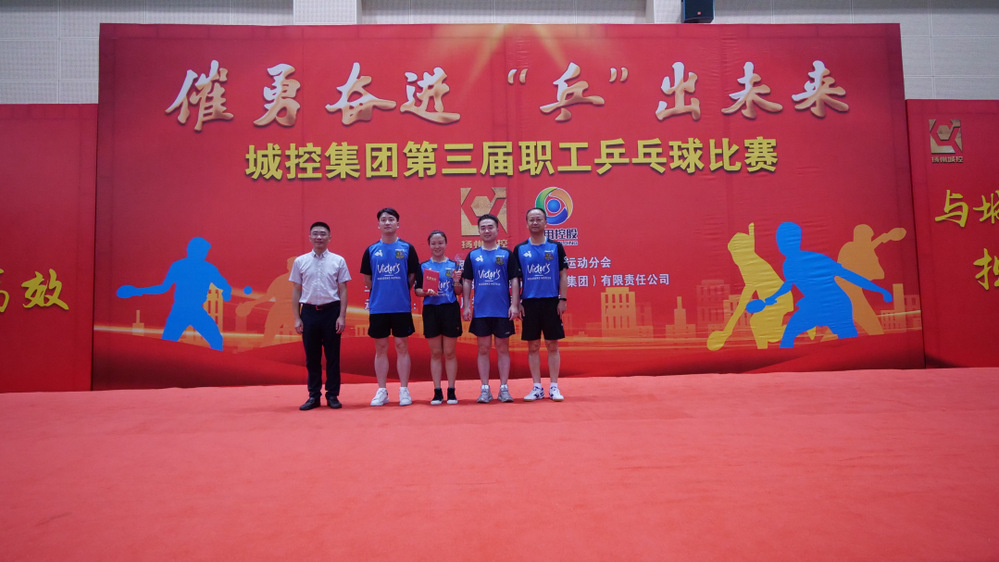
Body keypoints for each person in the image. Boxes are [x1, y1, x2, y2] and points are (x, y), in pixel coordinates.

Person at [116, 236, 232, 351]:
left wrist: (226, 293)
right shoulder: (181, 266)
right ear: (192, 250)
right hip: (181, 310)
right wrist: (138, 291)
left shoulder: (207, 268)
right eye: (203, 251)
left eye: (205, 252)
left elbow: (224, 285)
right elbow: (163, 288)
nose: (204, 254)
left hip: (194, 310)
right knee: (168, 343)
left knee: (216, 340)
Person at [360, 208, 420, 406]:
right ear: (378, 224)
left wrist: (399, 288)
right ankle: (382, 390)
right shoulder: (371, 250)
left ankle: (404, 390)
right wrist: (382, 290)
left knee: (402, 346)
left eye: (391, 219)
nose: (387, 223)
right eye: (383, 220)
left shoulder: (407, 248)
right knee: (381, 348)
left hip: (401, 306)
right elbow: (368, 280)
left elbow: (412, 275)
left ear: (397, 224)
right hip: (379, 307)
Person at [290, 222, 350, 410]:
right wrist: (297, 318)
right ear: (310, 237)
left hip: (332, 312)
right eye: (315, 234)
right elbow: (296, 289)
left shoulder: (338, 260)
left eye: (323, 234)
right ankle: (313, 396)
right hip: (308, 313)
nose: (319, 237)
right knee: (312, 357)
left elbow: (343, 289)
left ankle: (332, 395)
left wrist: (341, 316)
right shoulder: (300, 261)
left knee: (333, 357)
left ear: (329, 238)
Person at [462, 214, 520, 403]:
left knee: (503, 348)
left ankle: (504, 388)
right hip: (481, 311)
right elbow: (467, 281)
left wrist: (514, 304)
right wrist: (466, 305)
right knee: (483, 349)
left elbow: (514, 280)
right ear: (478, 231)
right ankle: (485, 389)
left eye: (490, 227)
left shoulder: (506, 254)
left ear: (497, 230)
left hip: (502, 310)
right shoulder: (473, 255)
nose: (487, 231)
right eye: (483, 228)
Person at [513, 208, 568, 402]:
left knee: (552, 344)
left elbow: (563, 274)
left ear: (546, 222)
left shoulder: (556, 247)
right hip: (529, 303)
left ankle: (554, 386)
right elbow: (516, 279)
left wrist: (562, 299)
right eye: (531, 220)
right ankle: (537, 387)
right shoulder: (520, 249)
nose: (535, 222)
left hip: (551, 301)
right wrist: (517, 302)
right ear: (527, 223)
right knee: (533, 345)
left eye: (538, 219)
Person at [414, 230, 463, 405]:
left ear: (446, 244)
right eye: (434, 243)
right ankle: (437, 391)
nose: (437, 246)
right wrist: (425, 292)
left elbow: (458, 291)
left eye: (440, 243)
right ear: (429, 245)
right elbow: (417, 291)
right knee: (435, 353)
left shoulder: (454, 265)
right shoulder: (423, 266)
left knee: (449, 353)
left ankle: (451, 390)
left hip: (450, 310)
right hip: (431, 311)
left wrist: (456, 280)